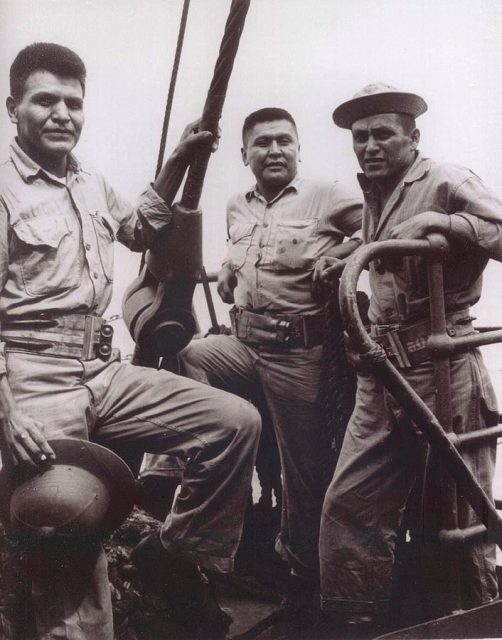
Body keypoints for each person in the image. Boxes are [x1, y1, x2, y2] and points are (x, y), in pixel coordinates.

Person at [0, 42, 261, 640]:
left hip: (102, 371)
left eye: (74, 102)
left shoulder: (88, 179)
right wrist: (7, 413)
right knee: (66, 522)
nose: (62, 113)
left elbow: (139, 227)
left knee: (234, 422)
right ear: (14, 107)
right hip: (33, 379)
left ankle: (171, 555)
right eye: (46, 100)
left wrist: (178, 159)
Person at [157, 106, 362, 631]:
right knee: (190, 357)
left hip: (300, 354)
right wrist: (228, 267)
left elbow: (381, 224)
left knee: (305, 471)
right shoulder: (235, 205)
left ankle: (303, 582)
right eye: (263, 143)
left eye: (284, 141)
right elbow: (244, 253)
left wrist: (344, 253)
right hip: (244, 344)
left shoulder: (327, 195)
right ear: (244, 154)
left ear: (299, 149)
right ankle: (179, 478)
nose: (274, 150)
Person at [317, 83, 502, 638]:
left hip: (443, 364)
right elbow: (388, 259)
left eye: (383, 134)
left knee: (463, 509)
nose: (370, 145)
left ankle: (483, 617)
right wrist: (349, 254)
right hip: (384, 371)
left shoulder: (446, 179)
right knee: (349, 503)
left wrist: (444, 224)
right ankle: (355, 620)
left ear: (412, 137)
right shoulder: (374, 190)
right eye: (360, 137)